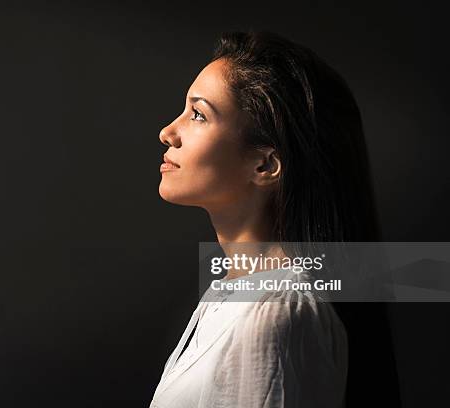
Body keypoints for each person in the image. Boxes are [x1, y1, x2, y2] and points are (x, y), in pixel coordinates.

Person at [150, 30, 400, 407]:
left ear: (265, 163)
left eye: (198, 114)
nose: (168, 132)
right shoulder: (230, 299)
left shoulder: (276, 315)